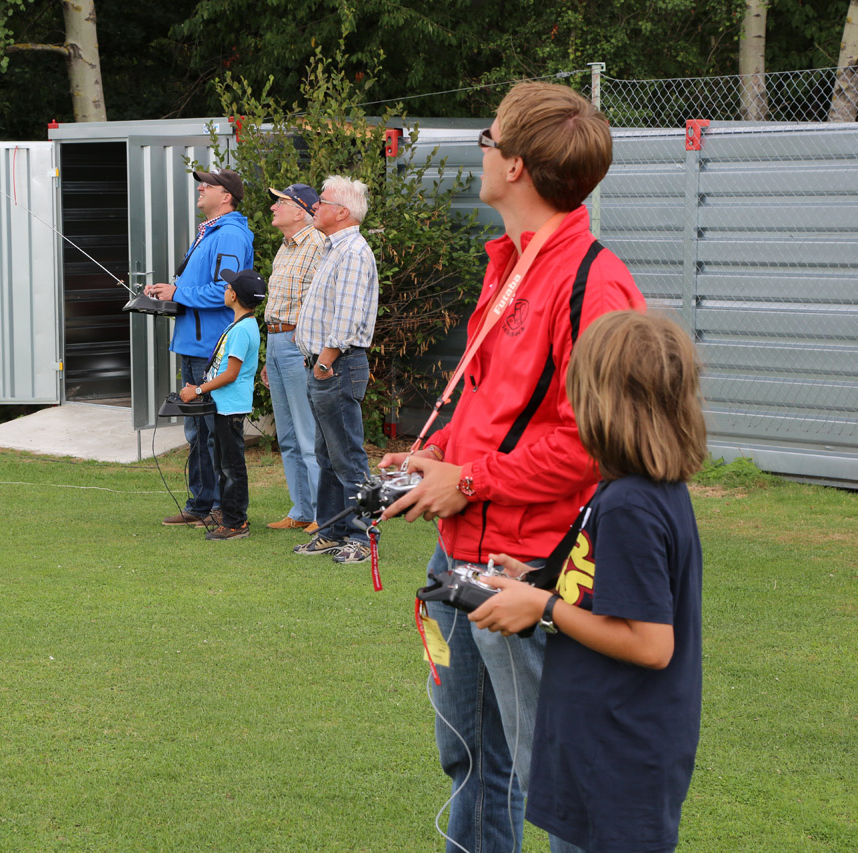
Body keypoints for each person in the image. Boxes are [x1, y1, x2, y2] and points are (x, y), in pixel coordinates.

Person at [379, 82, 645, 852]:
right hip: (461, 553)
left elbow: (593, 443)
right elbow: (494, 404)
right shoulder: (511, 264)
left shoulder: (593, 282)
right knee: (469, 759)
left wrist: (467, 481)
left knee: (554, 781)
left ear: (517, 165)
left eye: (487, 140)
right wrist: (440, 453)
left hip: (530, 568)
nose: (482, 153)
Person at [471, 310, 706, 853]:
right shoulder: (633, 490)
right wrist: (535, 580)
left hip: (620, 752)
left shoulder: (631, 505)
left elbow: (652, 644)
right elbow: (607, 588)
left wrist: (543, 608)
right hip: (605, 739)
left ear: (604, 402)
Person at [147, 169, 254, 528]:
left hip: (210, 346)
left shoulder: (230, 235)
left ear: (226, 197)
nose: (201, 188)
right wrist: (167, 292)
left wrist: (179, 293)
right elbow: (197, 285)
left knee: (213, 432)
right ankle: (200, 503)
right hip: (193, 342)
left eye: (208, 185)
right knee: (197, 431)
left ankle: (222, 509)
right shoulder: (209, 231)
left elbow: (225, 292)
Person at [293, 175, 380, 565]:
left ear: (342, 212)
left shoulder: (353, 252)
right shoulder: (334, 248)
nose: (315, 205)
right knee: (328, 454)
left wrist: (325, 362)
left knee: (349, 457)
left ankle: (363, 537)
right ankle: (331, 531)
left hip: (337, 365)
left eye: (322, 201)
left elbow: (346, 319)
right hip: (326, 365)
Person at [178, 268, 267, 540]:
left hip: (230, 407)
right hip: (223, 405)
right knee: (224, 465)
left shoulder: (242, 330)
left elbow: (231, 374)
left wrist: (198, 390)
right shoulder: (239, 325)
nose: (225, 290)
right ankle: (231, 518)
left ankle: (235, 523)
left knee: (231, 467)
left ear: (234, 296)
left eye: (228, 287)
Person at [262, 183, 327, 533]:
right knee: (286, 436)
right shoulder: (285, 247)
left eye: (281, 203)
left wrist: (310, 349)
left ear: (301, 211)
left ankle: (321, 514)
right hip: (276, 341)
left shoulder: (318, 244)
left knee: (307, 434)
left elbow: (322, 304)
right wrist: (268, 356)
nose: (274, 208)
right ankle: (301, 509)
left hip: (297, 343)